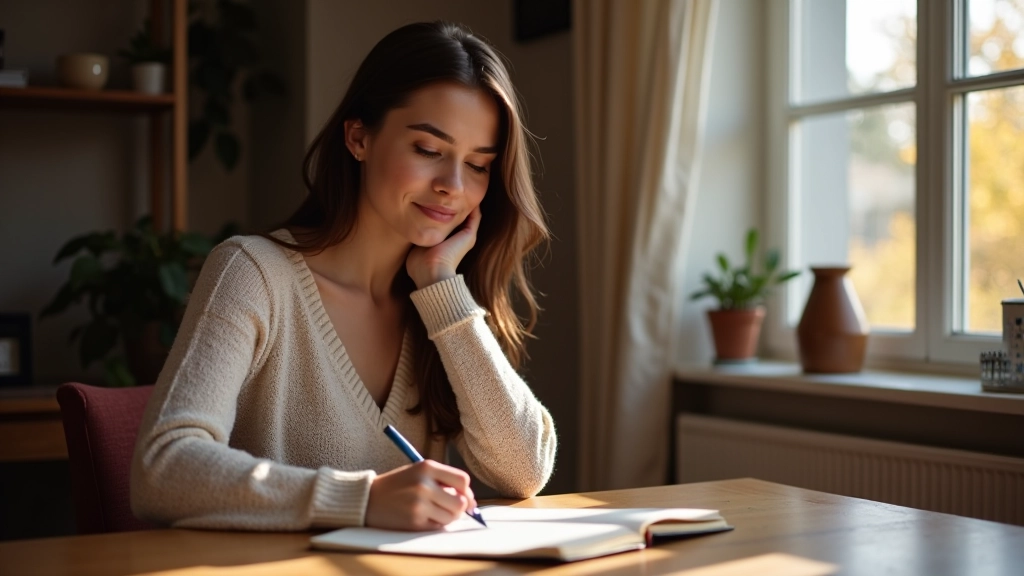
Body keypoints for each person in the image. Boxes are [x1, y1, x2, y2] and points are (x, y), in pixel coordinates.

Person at [130, 21, 557, 532]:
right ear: (358, 137)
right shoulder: (253, 273)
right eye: (427, 150)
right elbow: (162, 469)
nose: (453, 186)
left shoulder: (436, 302)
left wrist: (443, 289)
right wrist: (361, 498)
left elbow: (524, 471)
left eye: (479, 165)